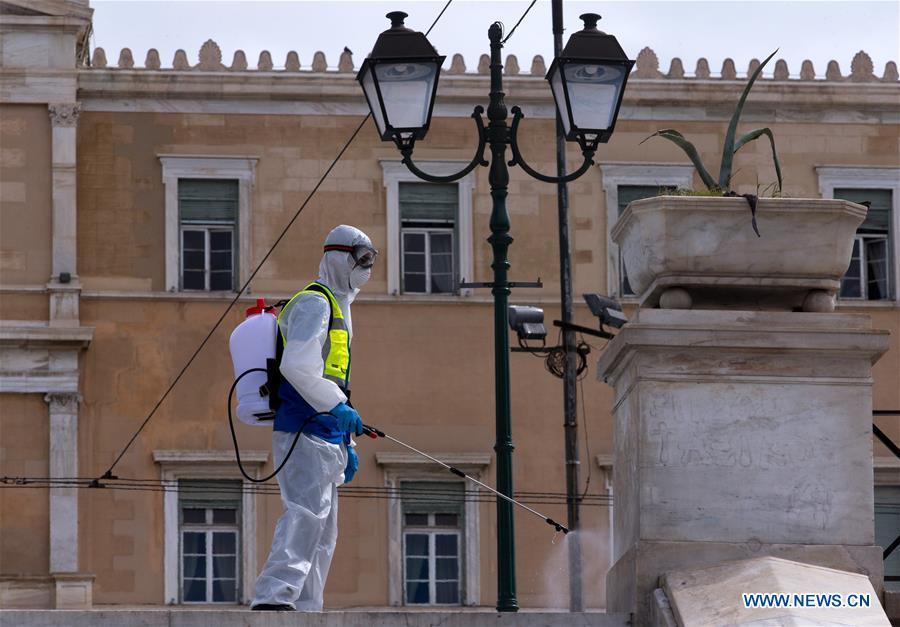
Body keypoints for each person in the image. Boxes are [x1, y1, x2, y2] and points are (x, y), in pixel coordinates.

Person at [251, 225, 377, 612]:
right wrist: (337, 409)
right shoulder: (314, 303)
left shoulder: (340, 309)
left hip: (325, 432)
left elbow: (337, 383)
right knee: (305, 514)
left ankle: (306, 604)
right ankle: (274, 597)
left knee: (323, 528)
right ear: (339, 258)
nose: (366, 269)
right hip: (303, 425)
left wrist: (347, 441)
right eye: (362, 260)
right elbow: (299, 367)